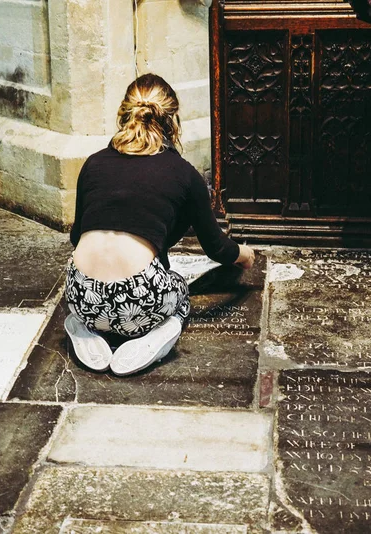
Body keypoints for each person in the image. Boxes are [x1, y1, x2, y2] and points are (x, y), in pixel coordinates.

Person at [64, 73, 255, 376]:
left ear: (123, 114)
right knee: (179, 289)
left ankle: (82, 329)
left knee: (89, 297)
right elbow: (216, 247)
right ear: (173, 120)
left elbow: (77, 238)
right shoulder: (184, 173)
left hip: (81, 296)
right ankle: (154, 338)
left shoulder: (93, 163)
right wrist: (245, 255)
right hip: (140, 306)